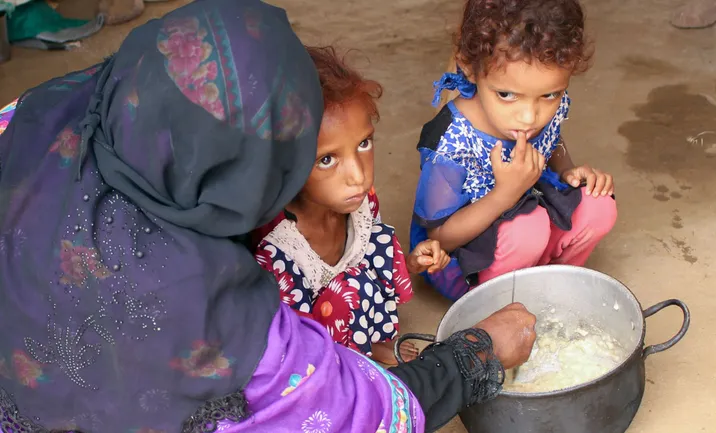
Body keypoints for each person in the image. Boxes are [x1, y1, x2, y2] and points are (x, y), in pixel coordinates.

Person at [0, 1, 537, 432]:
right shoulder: (202, 305)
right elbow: (348, 413)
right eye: (299, 158)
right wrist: (477, 353)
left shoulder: (37, 111)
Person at [252, 46, 450, 366]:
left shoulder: (361, 201)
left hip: (349, 305)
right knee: (346, 291)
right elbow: (287, 344)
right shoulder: (279, 252)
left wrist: (411, 263)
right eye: (327, 160)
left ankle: (375, 339)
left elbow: (377, 258)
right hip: (313, 351)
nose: (358, 175)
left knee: (378, 239)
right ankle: (349, 364)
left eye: (364, 144)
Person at [410, 0, 619, 302]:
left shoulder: (543, 104)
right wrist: (504, 195)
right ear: (470, 68)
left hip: (525, 217)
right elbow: (439, 237)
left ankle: (550, 288)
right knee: (527, 229)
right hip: (463, 262)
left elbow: (552, 138)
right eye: (507, 95)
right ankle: (497, 307)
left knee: (598, 206)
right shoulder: (452, 142)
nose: (529, 117)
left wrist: (567, 171)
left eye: (549, 95)